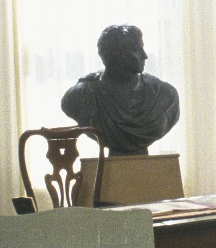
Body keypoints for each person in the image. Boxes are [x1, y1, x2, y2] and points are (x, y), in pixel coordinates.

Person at [60, 24, 180, 155]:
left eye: (142, 48)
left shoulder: (165, 95)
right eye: (136, 49)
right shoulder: (80, 96)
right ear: (116, 54)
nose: (144, 55)